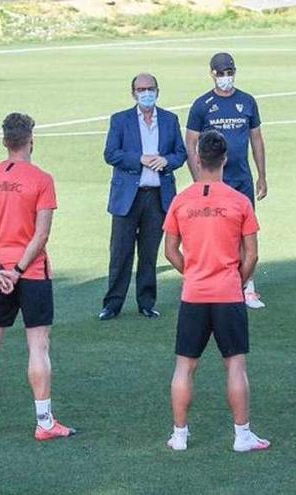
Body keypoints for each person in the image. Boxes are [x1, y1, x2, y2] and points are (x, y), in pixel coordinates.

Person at [163, 130, 270, 453]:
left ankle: (179, 435)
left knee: (185, 366)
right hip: (228, 294)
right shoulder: (239, 201)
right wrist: (237, 281)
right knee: (235, 365)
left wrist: (192, 272)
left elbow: (170, 250)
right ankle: (242, 435)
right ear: (225, 159)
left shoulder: (182, 200)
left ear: (197, 158)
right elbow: (251, 254)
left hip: (194, 293)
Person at [0, 113, 75, 440]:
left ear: (4, 141)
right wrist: (17, 271)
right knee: (38, 346)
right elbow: (40, 235)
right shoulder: (41, 180)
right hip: (31, 273)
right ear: (31, 139)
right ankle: (44, 422)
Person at [98, 73, 187, 321]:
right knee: (120, 253)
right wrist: (139, 159)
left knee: (149, 253)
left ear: (158, 91)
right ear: (133, 93)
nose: (146, 93)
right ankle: (112, 304)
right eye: (141, 89)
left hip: (157, 196)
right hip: (128, 196)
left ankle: (146, 302)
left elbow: (180, 153)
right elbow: (111, 154)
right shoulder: (120, 120)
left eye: (150, 88)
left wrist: (166, 161)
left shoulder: (169, 120)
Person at [185, 52, 267, 309]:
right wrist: (199, 180)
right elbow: (191, 143)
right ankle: (210, 279)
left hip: (241, 178)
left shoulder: (247, 101)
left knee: (245, 234)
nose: (225, 78)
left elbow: (256, 139)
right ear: (212, 74)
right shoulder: (202, 105)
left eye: (228, 72)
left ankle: (248, 287)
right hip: (213, 180)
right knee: (213, 232)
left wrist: (262, 175)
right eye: (220, 73)